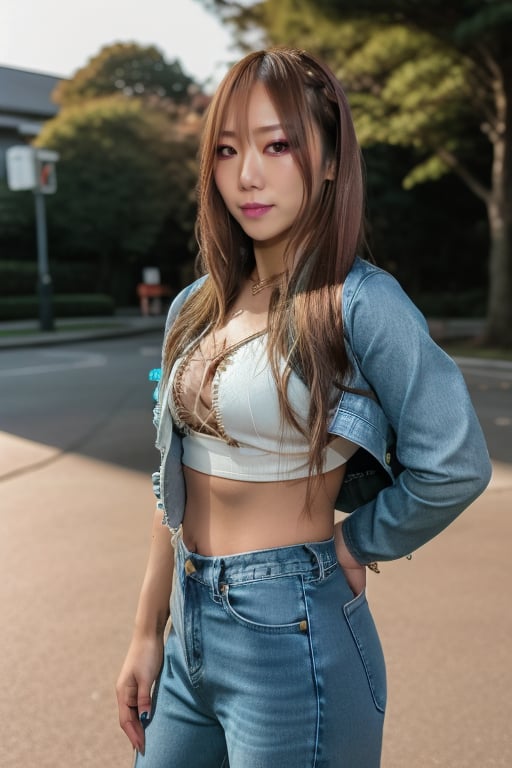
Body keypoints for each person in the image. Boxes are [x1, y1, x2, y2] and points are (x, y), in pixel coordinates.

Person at [116, 47, 491, 767]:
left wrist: (355, 543)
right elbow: (173, 481)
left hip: (291, 632)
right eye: (227, 149)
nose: (246, 174)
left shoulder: (360, 304)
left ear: (327, 161)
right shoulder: (194, 307)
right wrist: (146, 628)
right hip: (190, 623)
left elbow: (455, 463)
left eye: (276, 144)